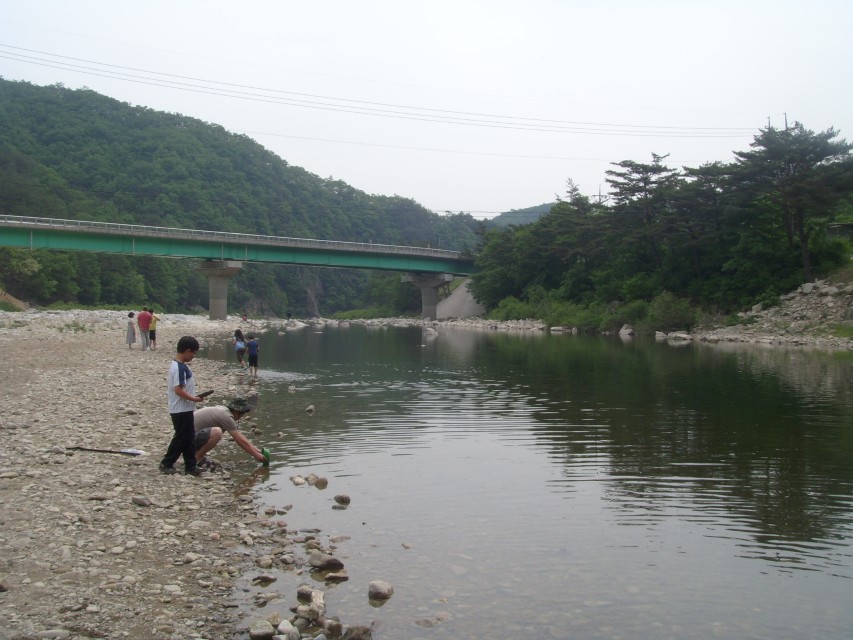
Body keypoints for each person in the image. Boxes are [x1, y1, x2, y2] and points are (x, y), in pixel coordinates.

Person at [159, 336, 206, 476]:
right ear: (187, 351)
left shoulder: (179, 366)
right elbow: (178, 390)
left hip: (185, 408)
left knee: (189, 437)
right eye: (194, 353)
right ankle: (166, 462)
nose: (194, 356)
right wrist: (195, 399)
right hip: (180, 409)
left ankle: (190, 466)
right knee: (181, 437)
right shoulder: (179, 368)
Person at [194, 397, 266, 468]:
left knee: (217, 431)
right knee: (217, 432)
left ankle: (197, 456)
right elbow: (239, 440)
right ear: (237, 411)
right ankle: (196, 459)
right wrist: (256, 455)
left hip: (190, 436)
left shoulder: (224, 411)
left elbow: (240, 436)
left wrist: (255, 449)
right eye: (242, 414)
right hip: (187, 439)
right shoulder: (226, 416)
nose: (242, 416)